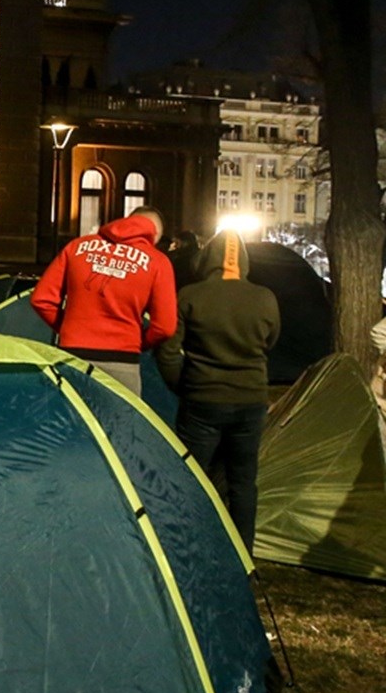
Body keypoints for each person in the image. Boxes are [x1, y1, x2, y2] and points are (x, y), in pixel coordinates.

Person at [155, 229, 279, 555]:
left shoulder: (191, 295)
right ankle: (241, 554)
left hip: (202, 400)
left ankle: (187, 545)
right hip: (250, 400)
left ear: (206, 257)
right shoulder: (265, 297)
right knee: (242, 482)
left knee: (192, 476)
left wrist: (182, 385)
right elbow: (271, 341)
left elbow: (168, 351)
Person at [30, 205, 177, 396]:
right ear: (154, 235)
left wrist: (69, 328)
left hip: (72, 355)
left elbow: (41, 299)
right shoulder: (158, 262)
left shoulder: (76, 247)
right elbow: (165, 326)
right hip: (122, 361)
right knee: (119, 423)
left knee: (69, 422)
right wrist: (138, 342)